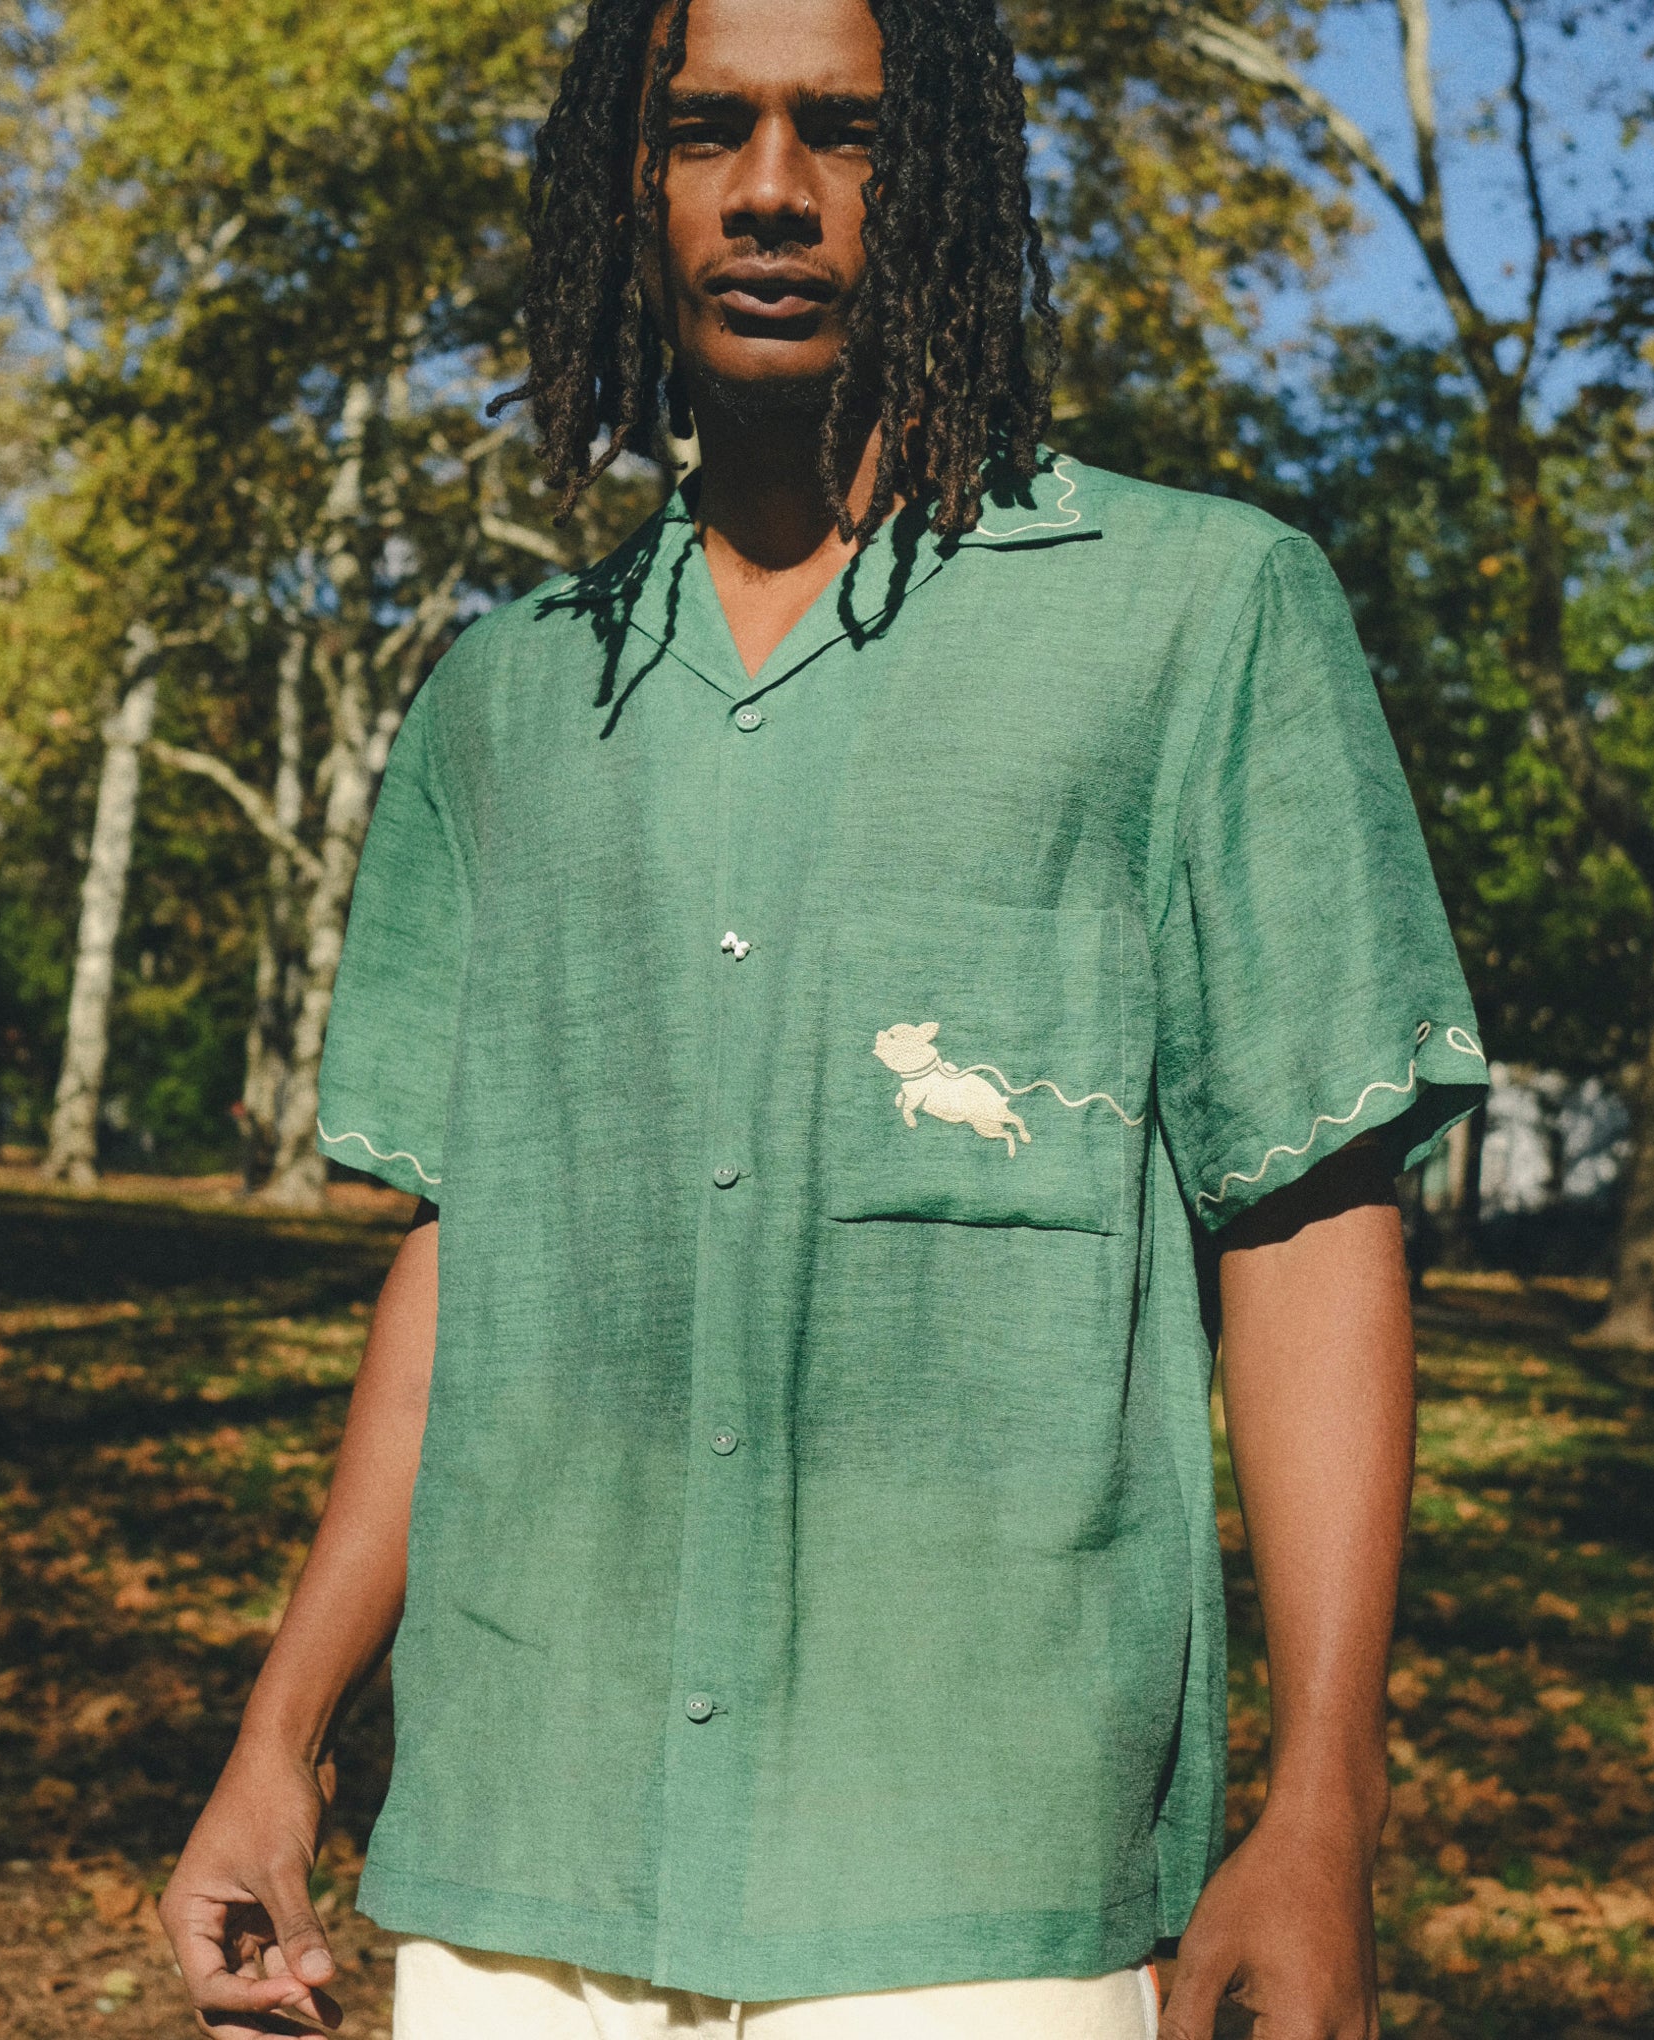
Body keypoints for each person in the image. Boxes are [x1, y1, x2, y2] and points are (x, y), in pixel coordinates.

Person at [159, 0, 1489, 2034]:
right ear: (631, 177)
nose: (770, 192)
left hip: (981, 1886)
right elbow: (466, 1254)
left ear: (947, 175)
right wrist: (286, 1733)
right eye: (707, 129)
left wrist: (1327, 1800)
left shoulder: (1198, 616)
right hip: (518, 1863)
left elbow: (1306, 1219)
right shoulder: (508, 699)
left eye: (845, 134)